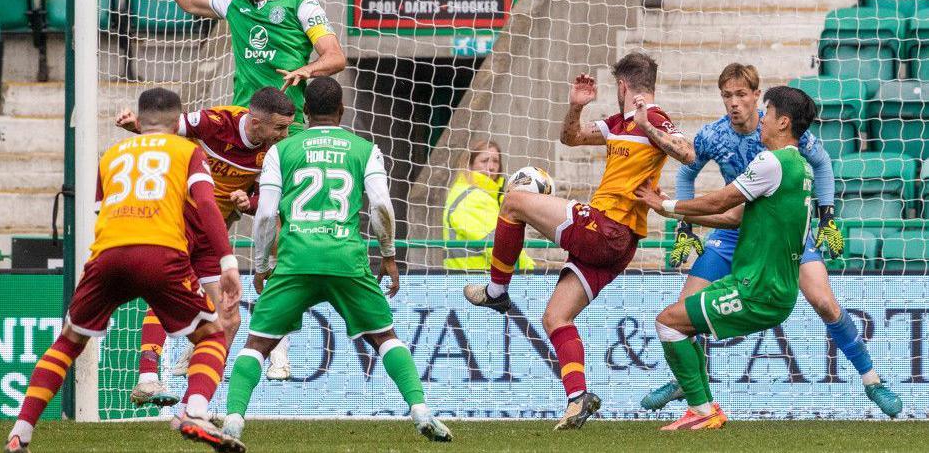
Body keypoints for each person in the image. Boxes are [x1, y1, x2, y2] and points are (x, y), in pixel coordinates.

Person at [641, 64, 902, 417]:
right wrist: (686, 229)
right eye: (726, 96)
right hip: (733, 230)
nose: (733, 103)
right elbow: (688, 170)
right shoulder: (714, 135)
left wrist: (827, 216)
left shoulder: (781, 127)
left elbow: (822, 165)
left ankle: (872, 381)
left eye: (740, 95)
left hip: (780, 232)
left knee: (824, 302)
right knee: (683, 308)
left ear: (755, 96)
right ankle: (685, 383)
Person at [464, 52, 695, 430]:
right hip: (615, 244)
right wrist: (575, 108)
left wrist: (647, 127)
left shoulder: (651, 117)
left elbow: (687, 153)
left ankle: (496, 290)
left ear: (622, 85)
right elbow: (569, 137)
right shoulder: (616, 124)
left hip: (608, 228)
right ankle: (577, 398)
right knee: (556, 317)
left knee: (514, 201)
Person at [4, 89, 243, 453]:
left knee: (68, 341)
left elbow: (102, 210)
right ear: (177, 120)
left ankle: (20, 433)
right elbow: (207, 204)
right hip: (162, 254)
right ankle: (194, 411)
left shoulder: (112, 155)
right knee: (212, 336)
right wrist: (227, 262)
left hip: (107, 255)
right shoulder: (187, 150)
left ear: (141, 119)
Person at [221, 77, 452, 442]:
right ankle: (421, 411)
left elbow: (265, 215)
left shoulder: (281, 151)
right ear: (342, 111)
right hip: (347, 258)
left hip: (296, 260)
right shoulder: (365, 149)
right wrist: (389, 256)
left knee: (258, 345)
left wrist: (263, 264)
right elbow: (380, 206)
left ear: (305, 113)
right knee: (385, 337)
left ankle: (233, 420)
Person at [636, 86, 822, 430]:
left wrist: (665, 205)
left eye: (766, 113)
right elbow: (734, 217)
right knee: (680, 321)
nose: (761, 120)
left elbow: (719, 201)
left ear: (783, 122)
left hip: (758, 288)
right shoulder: (802, 167)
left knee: (668, 323)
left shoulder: (772, 162)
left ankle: (702, 410)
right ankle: (704, 409)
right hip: (772, 288)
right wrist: (679, 215)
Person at [115, 88, 298, 410]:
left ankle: (195, 402)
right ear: (255, 123)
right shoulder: (217, 121)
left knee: (229, 317)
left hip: (213, 236)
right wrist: (137, 127)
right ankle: (146, 378)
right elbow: (168, 132)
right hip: (177, 223)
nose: (285, 135)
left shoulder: (275, 152)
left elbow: (269, 201)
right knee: (163, 295)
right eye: (280, 128)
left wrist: (250, 201)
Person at [140, 0, 345, 132]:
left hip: (286, 126)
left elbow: (336, 57)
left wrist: (306, 70)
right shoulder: (235, 2)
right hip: (243, 125)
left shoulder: (302, 4)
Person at [442, 140, 534, 270]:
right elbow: (500, 246)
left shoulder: (465, 192)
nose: (491, 167)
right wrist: (528, 270)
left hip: (466, 278)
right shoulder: (473, 197)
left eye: (495, 161)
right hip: (479, 279)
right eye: (484, 161)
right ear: (469, 164)